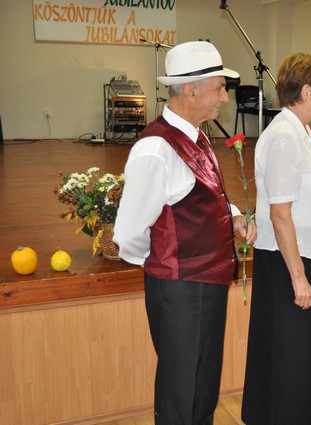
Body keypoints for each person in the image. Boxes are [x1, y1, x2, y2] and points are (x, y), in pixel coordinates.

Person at [113, 40, 256, 425]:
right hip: (180, 290)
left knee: (201, 389)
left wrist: (233, 216)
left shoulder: (196, 135)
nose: (225, 97)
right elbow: (128, 233)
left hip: (204, 285)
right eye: (219, 88)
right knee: (181, 395)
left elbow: (206, 192)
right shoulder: (155, 149)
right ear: (191, 91)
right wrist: (167, 265)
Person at [241, 53, 311, 425]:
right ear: (307, 91)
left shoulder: (299, 132)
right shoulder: (284, 136)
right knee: (291, 353)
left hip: (306, 256)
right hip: (289, 261)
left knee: (303, 352)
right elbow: (280, 214)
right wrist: (298, 277)